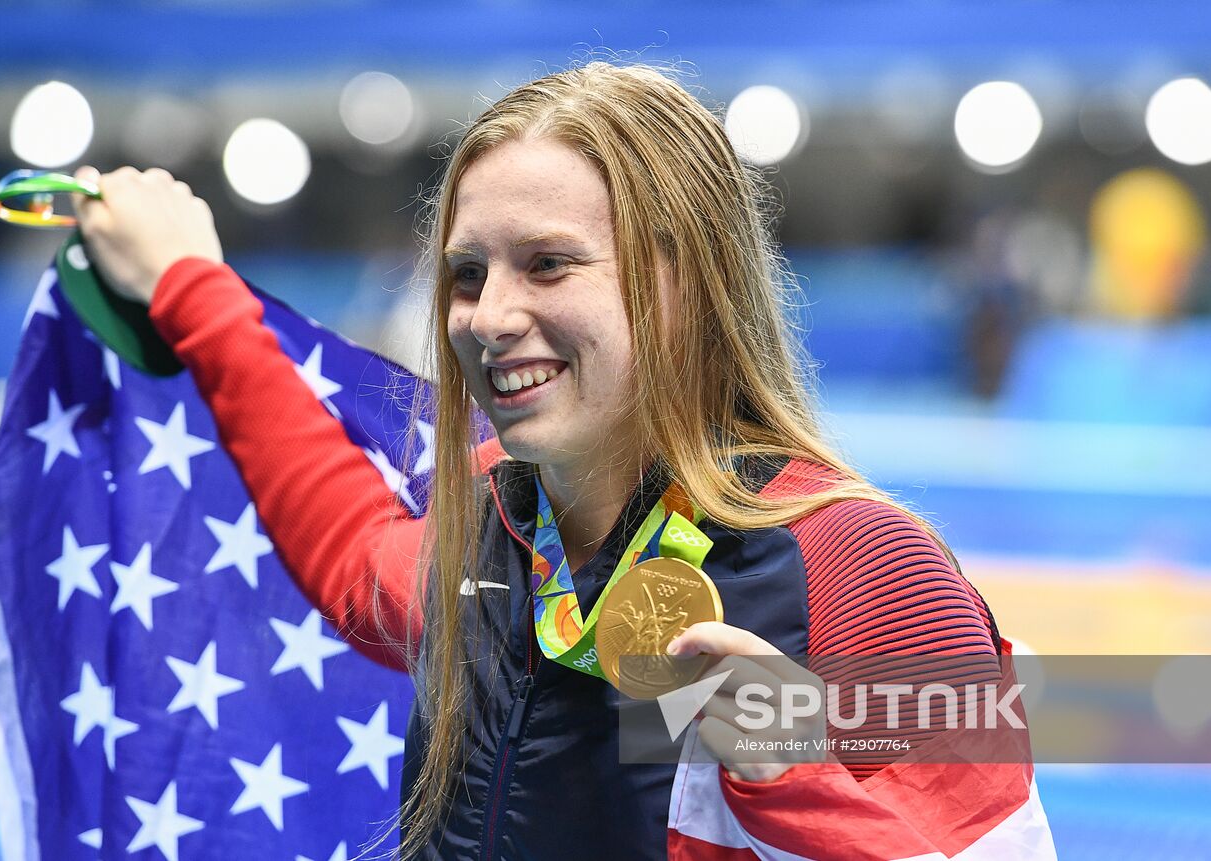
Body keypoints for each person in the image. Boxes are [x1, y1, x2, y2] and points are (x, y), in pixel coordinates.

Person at [73, 62, 1054, 860]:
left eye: (547, 263)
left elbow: (988, 848)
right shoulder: (489, 535)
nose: (488, 318)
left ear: (686, 283)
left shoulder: (857, 562)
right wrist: (188, 285)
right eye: (467, 273)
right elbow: (347, 548)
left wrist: (791, 776)